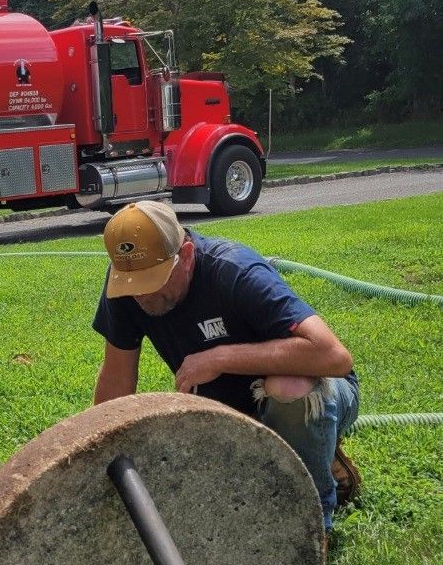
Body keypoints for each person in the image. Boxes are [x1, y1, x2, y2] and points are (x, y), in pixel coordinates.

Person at [92, 200, 360, 538]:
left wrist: (220, 357)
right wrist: (97, 454)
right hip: (228, 415)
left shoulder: (235, 271)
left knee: (289, 389)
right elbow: (116, 379)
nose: (140, 295)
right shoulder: (127, 286)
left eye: (152, 280)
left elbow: (333, 356)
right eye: (130, 283)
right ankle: (303, 452)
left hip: (319, 391)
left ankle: (311, 522)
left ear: (186, 255)